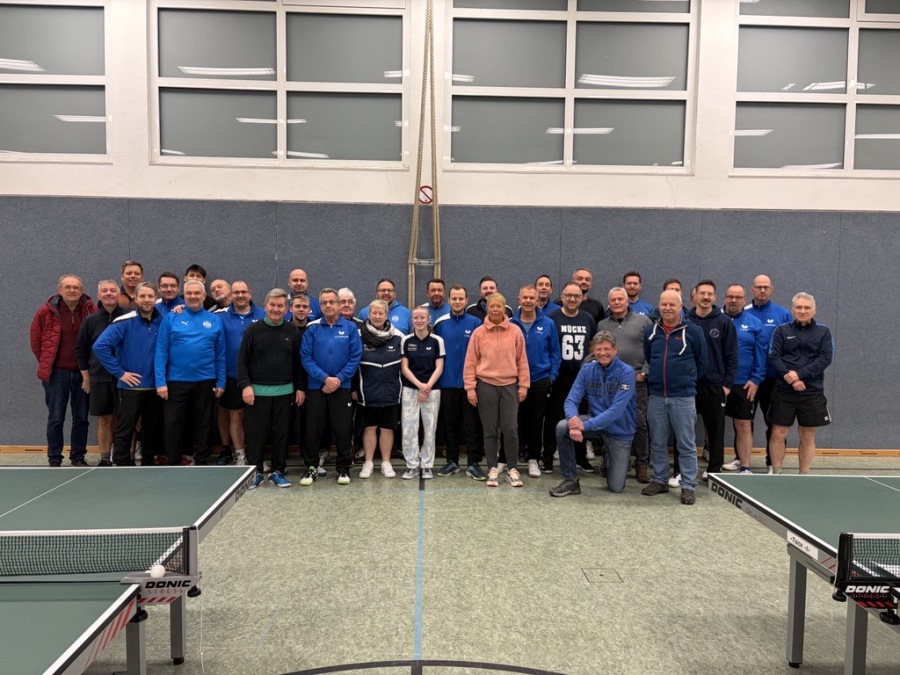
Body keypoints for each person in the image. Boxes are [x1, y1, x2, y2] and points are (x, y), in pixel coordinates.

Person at [641, 289, 708, 506]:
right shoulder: (651, 331)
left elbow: (702, 362)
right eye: (664, 304)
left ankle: (688, 485)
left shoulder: (694, 331)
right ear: (659, 306)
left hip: (683, 398)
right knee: (657, 442)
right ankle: (660, 479)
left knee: (686, 444)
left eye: (672, 304)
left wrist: (686, 379)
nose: (668, 308)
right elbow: (649, 357)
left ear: (680, 307)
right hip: (657, 396)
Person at [549, 331, 636, 497]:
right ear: (593, 351)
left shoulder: (627, 372)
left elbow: (616, 410)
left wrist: (583, 425)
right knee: (562, 427)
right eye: (598, 349)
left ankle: (608, 455)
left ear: (615, 350)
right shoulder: (587, 370)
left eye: (606, 349)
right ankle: (570, 480)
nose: (602, 353)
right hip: (595, 423)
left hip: (619, 429)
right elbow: (571, 400)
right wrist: (574, 421)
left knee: (616, 487)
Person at [237, 288, 306, 489]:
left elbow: (298, 363)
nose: (276, 309)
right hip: (257, 393)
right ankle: (255, 472)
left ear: (286, 308)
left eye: (280, 306)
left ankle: (278, 471)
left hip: (285, 393)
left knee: (281, 434)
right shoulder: (253, 330)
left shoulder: (292, 331)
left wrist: (300, 388)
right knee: (256, 435)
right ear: (265, 306)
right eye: (272, 305)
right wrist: (245, 386)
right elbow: (241, 361)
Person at [92, 282, 164, 466]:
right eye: (143, 296)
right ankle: (122, 463)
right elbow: (100, 346)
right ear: (136, 299)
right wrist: (120, 373)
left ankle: (148, 462)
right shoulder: (124, 322)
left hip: (155, 387)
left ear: (155, 299)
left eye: (150, 296)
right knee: (125, 428)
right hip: (130, 387)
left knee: (151, 429)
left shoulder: (163, 321)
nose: (146, 300)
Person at [154, 279, 226, 465]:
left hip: (206, 380)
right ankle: (173, 462)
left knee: (204, 424)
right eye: (189, 293)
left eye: (197, 293)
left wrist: (221, 382)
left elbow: (220, 354)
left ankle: (202, 460)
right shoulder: (171, 318)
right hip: (176, 382)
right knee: (172, 424)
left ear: (204, 296)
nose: (193, 296)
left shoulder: (215, 320)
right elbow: (161, 351)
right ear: (184, 296)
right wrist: (160, 382)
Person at [30, 274, 97, 467]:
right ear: (60, 290)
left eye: (76, 287)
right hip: (56, 373)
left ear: (82, 290)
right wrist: (47, 362)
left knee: (81, 417)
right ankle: (54, 457)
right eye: (68, 287)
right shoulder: (45, 312)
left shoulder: (91, 310)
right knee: (56, 417)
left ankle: (78, 456)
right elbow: (36, 341)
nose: (72, 290)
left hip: (83, 373)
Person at [463, 293, 530, 488]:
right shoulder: (479, 333)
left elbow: (522, 361)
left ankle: (512, 469)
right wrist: (470, 388)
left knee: (510, 429)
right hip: (486, 385)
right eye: (492, 306)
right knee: (490, 430)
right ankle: (492, 468)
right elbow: (470, 362)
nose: (495, 309)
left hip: (510, 386)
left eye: (498, 306)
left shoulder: (515, 331)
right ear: (487, 308)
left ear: (504, 308)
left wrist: (523, 386)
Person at [300, 288, 363, 485]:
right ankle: (311, 467)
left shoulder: (350, 328)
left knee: (343, 429)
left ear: (338, 304)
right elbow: (306, 357)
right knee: (312, 429)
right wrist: (325, 379)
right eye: (324, 302)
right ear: (320, 306)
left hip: (342, 387)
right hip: (316, 387)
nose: (328, 305)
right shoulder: (312, 328)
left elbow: (355, 356)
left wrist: (338, 379)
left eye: (332, 302)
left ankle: (343, 468)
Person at [731, 274, 792, 473]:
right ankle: (740, 459)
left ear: (771, 289)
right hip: (748, 379)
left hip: (774, 379)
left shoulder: (783, 314)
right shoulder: (744, 312)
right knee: (742, 420)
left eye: (766, 287)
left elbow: (789, 346)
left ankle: (771, 462)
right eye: (759, 287)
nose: (762, 290)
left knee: (773, 421)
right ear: (752, 290)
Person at [767, 292, 833, 474]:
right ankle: (777, 472)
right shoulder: (781, 331)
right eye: (799, 307)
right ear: (793, 309)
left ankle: (803, 474)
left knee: (807, 434)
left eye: (807, 308)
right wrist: (791, 379)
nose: (802, 311)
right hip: (784, 391)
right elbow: (774, 357)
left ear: (814, 310)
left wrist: (798, 375)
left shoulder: (824, 332)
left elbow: (825, 359)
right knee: (778, 432)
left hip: (811, 391)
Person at [681, 279, 737, 483]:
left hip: (715, 387)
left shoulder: (724, 322)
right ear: (694, 296)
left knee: (715, 431)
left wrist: (727, 385)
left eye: (709, 294)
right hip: (688, 385)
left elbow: (732, 355)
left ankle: (714, 471)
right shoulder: (685, 320)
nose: (705, 297)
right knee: (683, 431)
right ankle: (681, 470)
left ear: (714, 297)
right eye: (702, 293)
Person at [596, 286, 652, 482]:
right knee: (611, 420)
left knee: (638, 422)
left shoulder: (643, 321)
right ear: (609, 303)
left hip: (636, 380)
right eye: (614, 300)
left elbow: (652, 349)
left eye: (621, 299)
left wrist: (644, 372)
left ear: (627, 301)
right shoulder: (602, 324)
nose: (617, 302)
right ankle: (613, 461)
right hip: (612, 381)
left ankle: (642, 464)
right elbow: (599, 352)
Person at [543, 282, 597, 473]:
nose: (573, 299)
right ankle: (548, 457)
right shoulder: (552, 318)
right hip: (558, 377)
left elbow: (592, 346)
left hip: (580, 378)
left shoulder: (588, 318)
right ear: (562, 297)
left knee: (580, 418)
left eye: (577, 296)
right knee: (552, 417)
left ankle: (580, 457)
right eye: (569, 295)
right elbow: (547, 347)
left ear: (582, 298)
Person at [433, 284, 485, 479]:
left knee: (471, 426)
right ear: (449, 300)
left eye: (460, 298)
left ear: (466, 300)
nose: (457, 301)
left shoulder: (476, 323)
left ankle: (473, 463)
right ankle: (452, 461)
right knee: (450, 425)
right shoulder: (440, 324)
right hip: (446, 383)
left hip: (469, 385)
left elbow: (481, 354)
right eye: (454, 298)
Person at [511, 284, 561, 478]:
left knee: (536, 421)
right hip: (515, 381)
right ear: (519, 300)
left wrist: (551, 377)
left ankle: (533, 459)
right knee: (515, 421)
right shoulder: (511, 324)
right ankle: (512, 458)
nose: (528, 301)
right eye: (525, 298)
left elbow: (555, 353)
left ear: (537, 300)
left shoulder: (548, 323)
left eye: (532, 298)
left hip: (540, 380)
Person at [75, 279, 125, 466]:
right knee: (104, 419)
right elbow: (81, 350)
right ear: (99, 295)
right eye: (105, 291)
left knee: (125, 420)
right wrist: (86, 377)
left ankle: (123, 456)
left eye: (112, 290)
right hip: (99, 377)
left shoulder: (129, 317)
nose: (109, 293)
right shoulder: (90, 321)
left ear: (118, 294)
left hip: (125, 377)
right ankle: (105, 457)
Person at [214, 280, 265, 466]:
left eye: (244, 292)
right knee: (235, 416)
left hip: (259, 377)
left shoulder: (263, 314)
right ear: (231, 295)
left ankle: (256, 455)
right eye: (236, 292)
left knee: (256, 419)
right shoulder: (219, 317)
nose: (240, 295)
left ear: (250, 293)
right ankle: (240, 455)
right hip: (232, 375)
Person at [356, 299, 403, 480]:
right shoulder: (358, 335)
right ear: (368, 314)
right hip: (367, 391)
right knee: (369, 427)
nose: (377, 316)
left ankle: (385, 462)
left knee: (387, 428)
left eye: (380, 313)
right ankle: (368, 462)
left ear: (386, 315)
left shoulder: (398, 336)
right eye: (374, 313)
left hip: (391, 391)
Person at [723, 284, 767, 474]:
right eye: (730, 296)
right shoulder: (717, 320)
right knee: (713, 424)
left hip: (744, 383)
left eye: (738, 297)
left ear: (744, 299)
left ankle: (745, 467)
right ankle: (712, 465)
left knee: (743, 424)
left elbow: (761, 354)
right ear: (725, 298)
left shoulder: (755, 323)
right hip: (719, 383)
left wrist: (756, 379)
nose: (734, 300)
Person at [400, 306, 445, 480]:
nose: (419, 320)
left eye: (422, 317)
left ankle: (426, 465)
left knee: (430, 428)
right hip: (410, 389)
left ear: (428, 319)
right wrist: (419, 385)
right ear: (412, 320)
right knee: (409, 428)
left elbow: (439, 367)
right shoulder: (406, 340)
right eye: (416, 318)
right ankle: (411, 465)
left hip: (432, 390)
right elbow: (404, 368)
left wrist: (427, 387)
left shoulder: (437, 341)